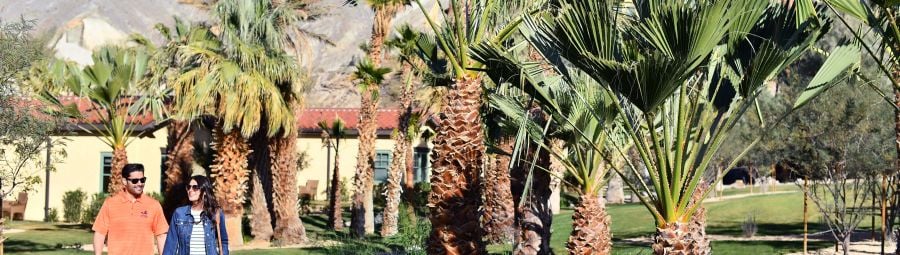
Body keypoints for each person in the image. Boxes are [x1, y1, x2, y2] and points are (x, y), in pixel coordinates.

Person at [92, 163, 168, 255]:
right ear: (124, 181)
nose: (140, 183)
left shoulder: (154, 205)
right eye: (135, 181)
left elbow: (161, 236)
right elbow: (100, 233)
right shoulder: (110, 204)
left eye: (142, 180)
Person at [163, 175, 229, 255]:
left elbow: (223, 241)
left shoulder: (215, 213)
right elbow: (170, 244)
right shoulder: (179, 214)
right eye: (188, 187)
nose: (190, 190)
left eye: (195, 187)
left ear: (204, 191)